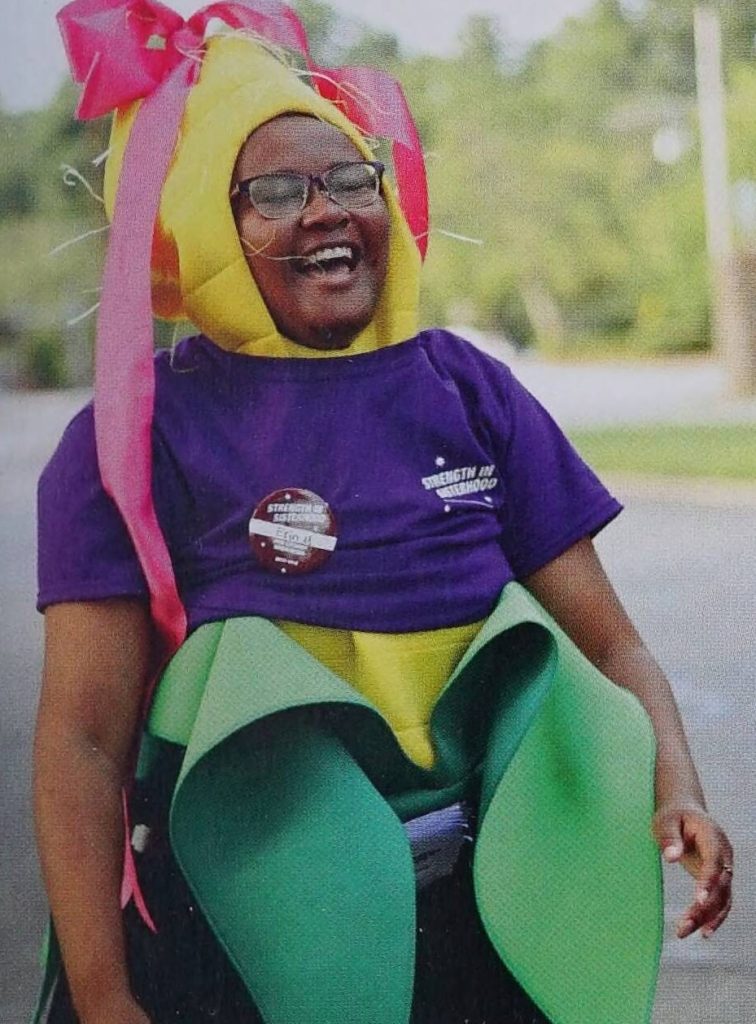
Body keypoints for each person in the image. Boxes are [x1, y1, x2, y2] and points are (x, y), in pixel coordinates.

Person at [34, 5, 733, 1024]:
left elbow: (617, 651)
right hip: (231, 942)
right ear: (201, 225)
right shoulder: (140, 432)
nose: (323, 210)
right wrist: (102, 995)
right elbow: (83, 743)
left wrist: (679, 786)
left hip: (477, 926)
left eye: (350, 177)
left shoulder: (469, 392)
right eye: (273, 192)